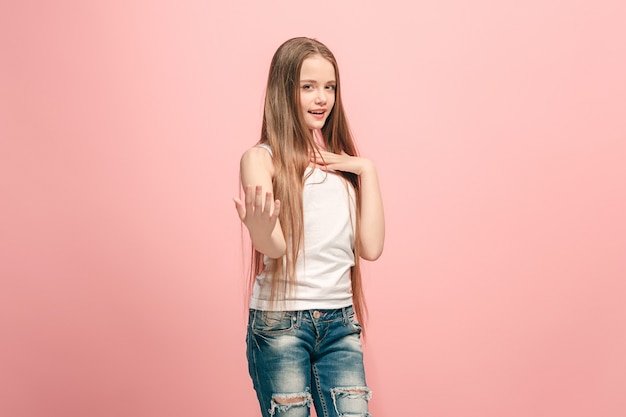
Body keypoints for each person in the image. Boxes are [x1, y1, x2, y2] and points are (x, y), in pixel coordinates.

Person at [234, 37, 385, 417]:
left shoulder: (342, 167)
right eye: (308, 87)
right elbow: (276, 248)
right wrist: (259, 228)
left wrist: (367, 170)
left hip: (340, 321)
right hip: (283, 323)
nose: (322, 99)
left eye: (330, 87)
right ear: (284, 91)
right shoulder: (261, 158)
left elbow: (370, 248)